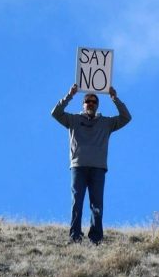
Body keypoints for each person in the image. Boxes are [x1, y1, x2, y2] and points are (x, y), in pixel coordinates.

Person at [51, 84, 132, 245]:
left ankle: (96, 238)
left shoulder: (106, 123)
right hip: (78, 166)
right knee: (77, 202)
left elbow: (126, 117)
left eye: (94, 101)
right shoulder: (73, 120)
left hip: (98, 168)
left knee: (97, 204)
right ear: (83, 104)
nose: (90, 103)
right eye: (87, 101)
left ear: (97, 105)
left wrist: (115, 98)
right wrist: (70, 95)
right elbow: (56, 113)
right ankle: (75, 236)